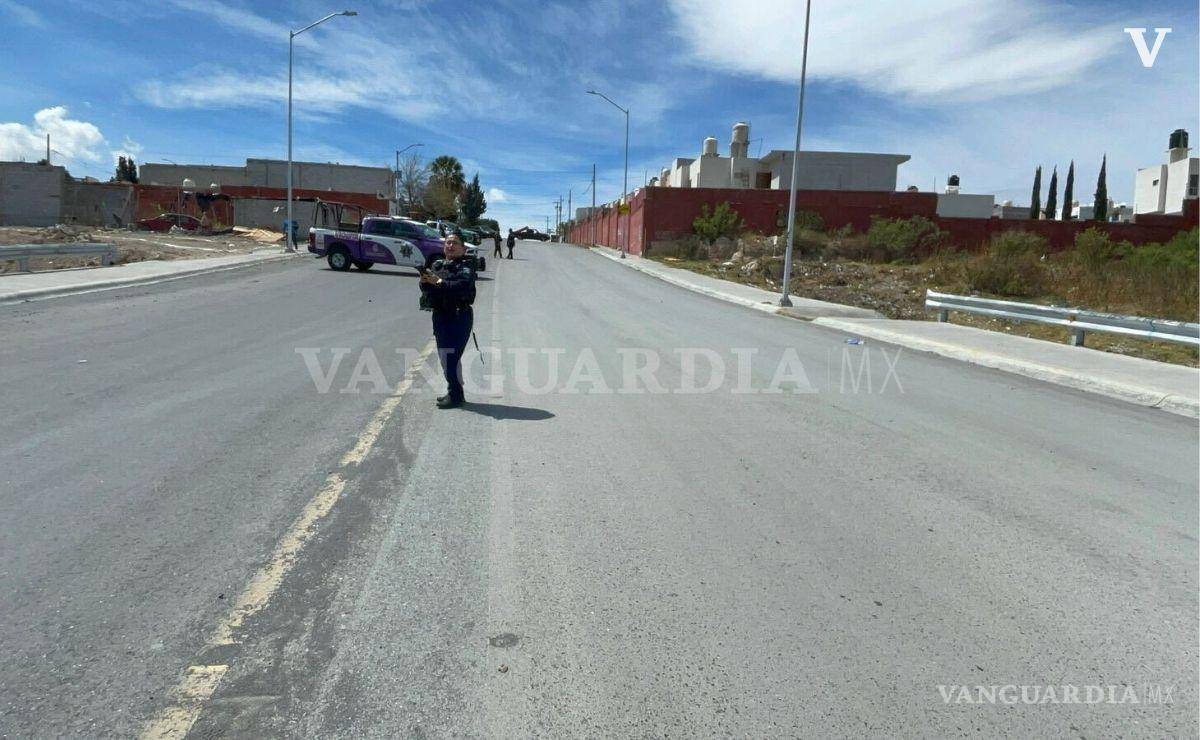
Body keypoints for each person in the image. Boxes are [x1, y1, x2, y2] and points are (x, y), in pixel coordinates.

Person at [419, 232, 476, 408]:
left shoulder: (466, 266)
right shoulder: (438, 264)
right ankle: (455, 391)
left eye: (455, 243)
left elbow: (461, 286)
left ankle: (456, 396)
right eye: (448, 243)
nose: (450, 246)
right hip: (440, 316)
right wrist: (425, 280)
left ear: (463, 248)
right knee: (445, 358)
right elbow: (427, 288)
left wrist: (439, 282)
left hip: (458, 317)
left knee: (451, 358)